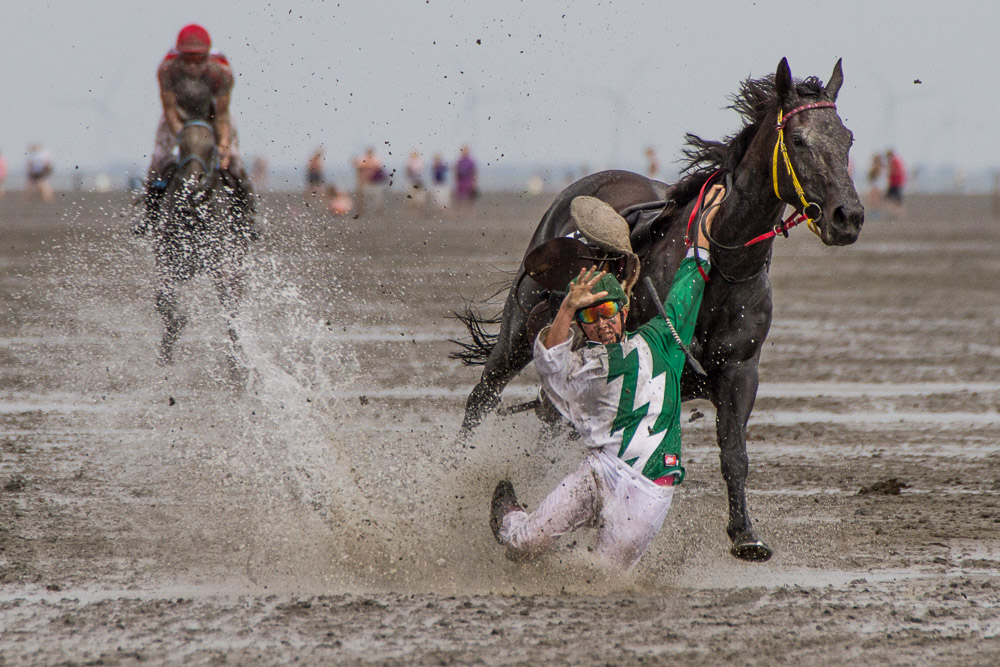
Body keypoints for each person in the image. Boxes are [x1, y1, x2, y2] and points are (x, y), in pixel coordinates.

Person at [490, 186, 724, 571]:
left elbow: (692, 276)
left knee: (600, 577)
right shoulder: (580, 367)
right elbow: (549, 360)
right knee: (523, 544)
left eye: (609, 311)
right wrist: (567, 307)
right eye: (591, 317)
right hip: (598, 472)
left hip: (649, 490)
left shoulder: (662, 339)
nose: (602, 324)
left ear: (625, 307)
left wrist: (703, 226)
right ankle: (507, 514)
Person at [138, 24, 254, 227]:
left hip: (213, 116)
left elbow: (223, 114)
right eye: (187, 60)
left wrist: (224, 145)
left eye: (198, 60)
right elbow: (169, 109)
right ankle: (150, 215)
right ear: (179, 56)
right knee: (159, 159)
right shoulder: (167, 69)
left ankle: (246, 218)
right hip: (178, 116)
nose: (192, 66)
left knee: (234, 162)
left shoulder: (221, 72)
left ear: (207, 56)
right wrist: (182, 134)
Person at [885, 149, 906, 213]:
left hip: (895, 183)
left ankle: (896, 211)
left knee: (892, 197)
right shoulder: (897, 160)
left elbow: (893, 171)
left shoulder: (893, 161)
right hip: (898, 182)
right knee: (896, 197)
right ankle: (896, 210)